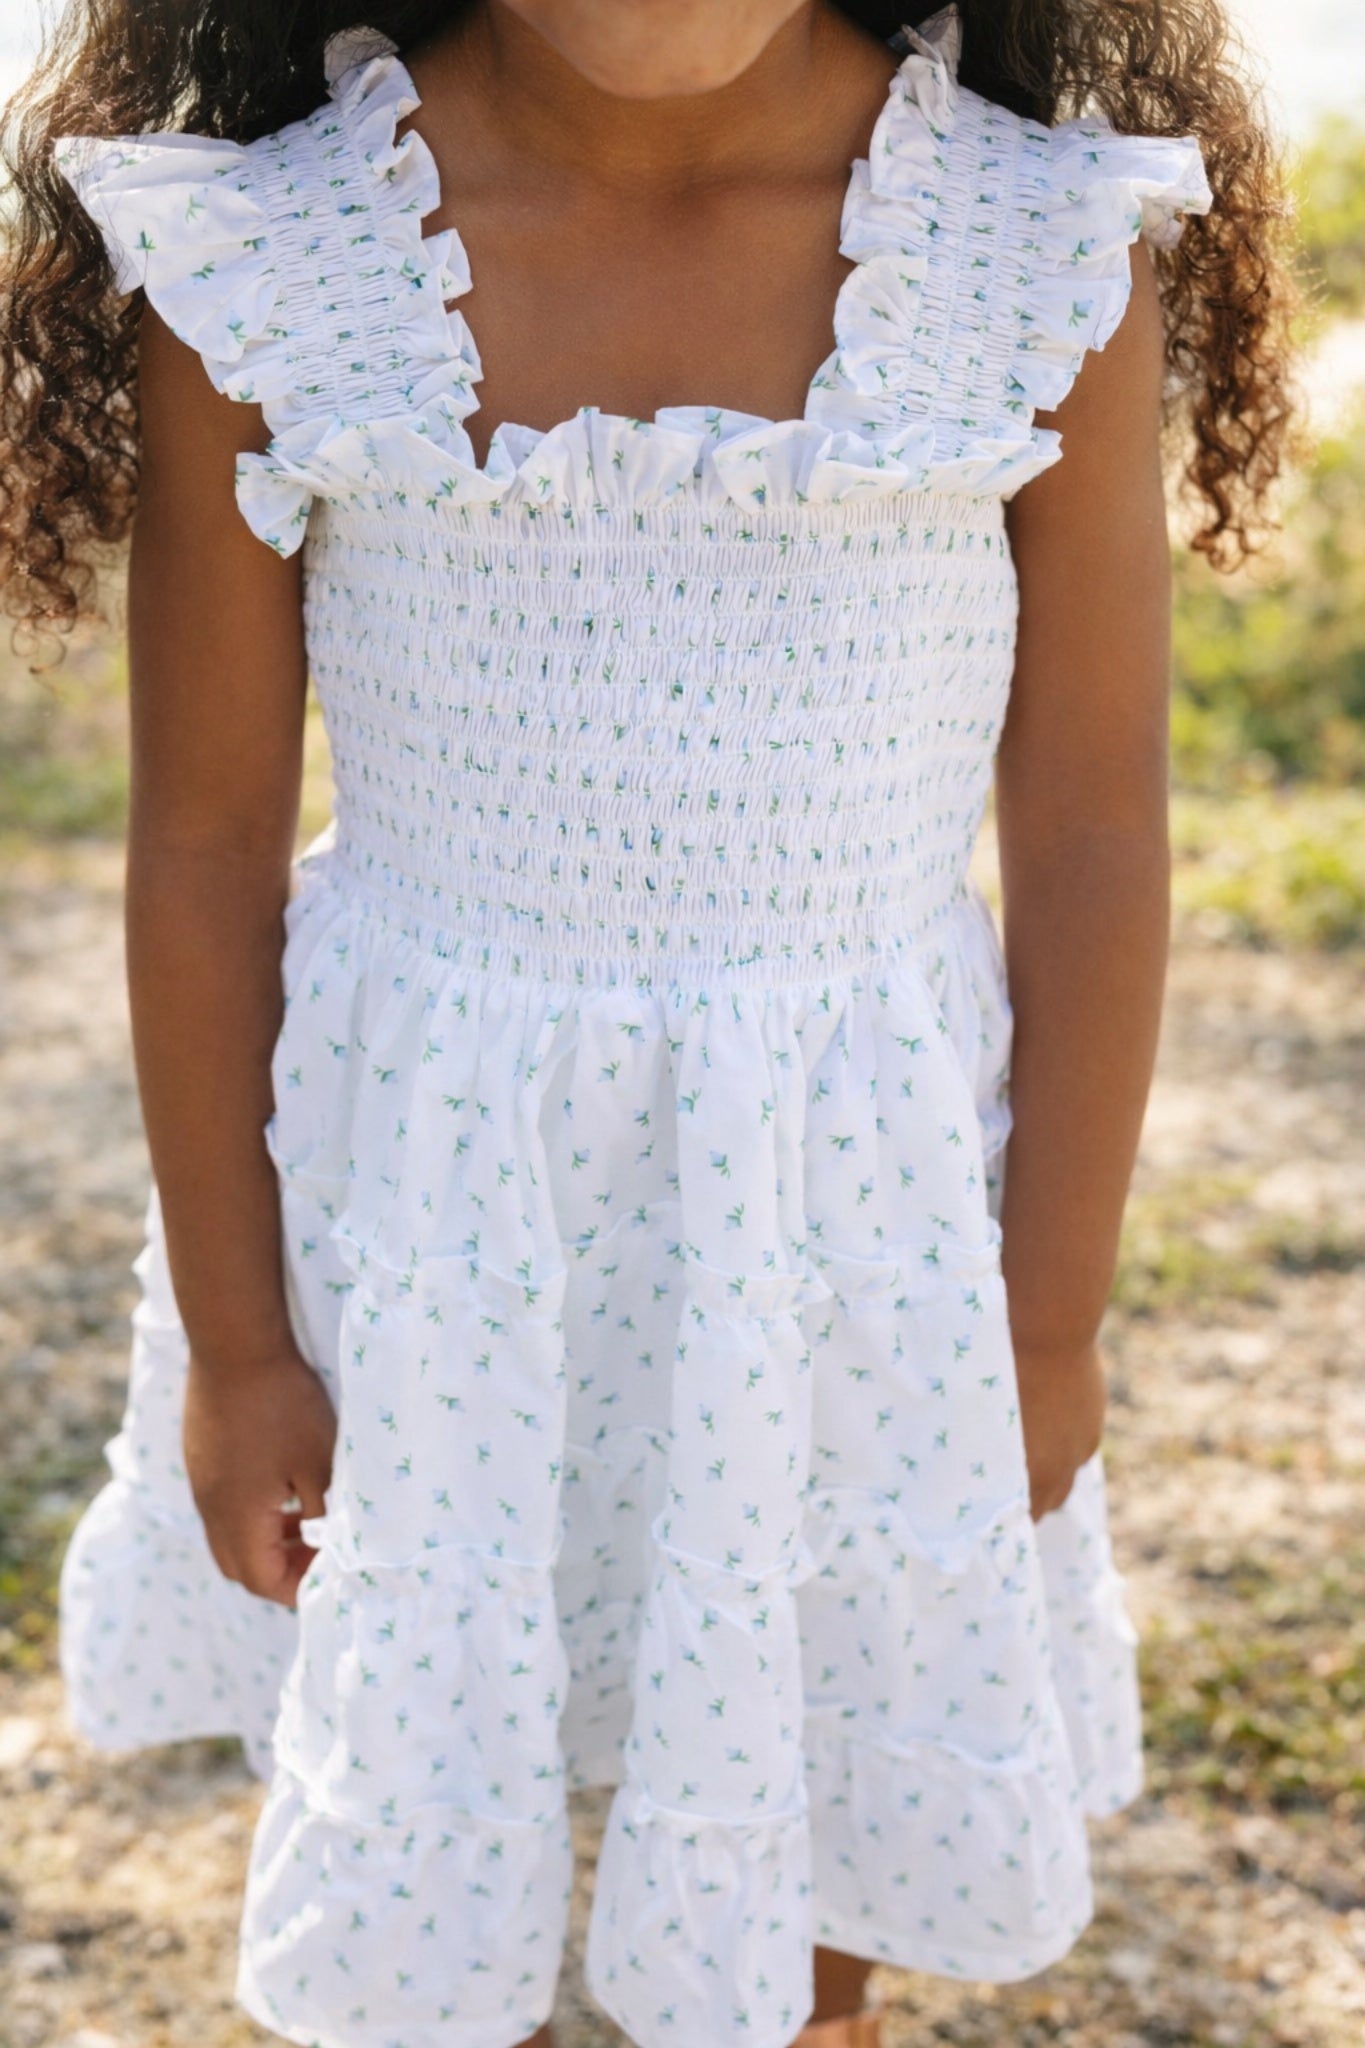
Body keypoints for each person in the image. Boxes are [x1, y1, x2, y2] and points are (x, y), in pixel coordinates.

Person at [0, 2, 1294, 2044]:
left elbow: (1089, 834)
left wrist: (1042, 1319)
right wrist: (244, 1345)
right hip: (430, 1212)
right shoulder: (276, 257)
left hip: (845, 1227)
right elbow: (203, 846)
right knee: (448, 1820)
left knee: (800, 1836)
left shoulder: (1028, 248)